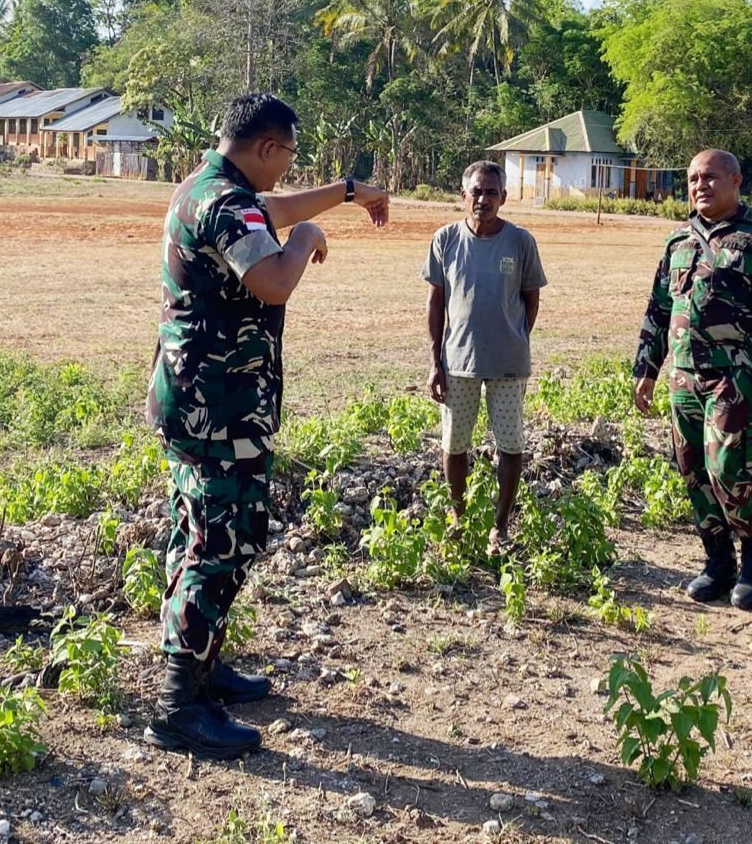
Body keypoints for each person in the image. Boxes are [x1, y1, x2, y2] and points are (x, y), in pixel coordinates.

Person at [144, 92, 389, 759]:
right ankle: (178, 706)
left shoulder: (207, 187)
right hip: (218, 408)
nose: (287, 169)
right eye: (288, 156)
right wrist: (306, 241)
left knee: (197, 534)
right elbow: (273, 281)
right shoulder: (226, 202)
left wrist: (346, 192)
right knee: (222, 544)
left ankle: (201, 666)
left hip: (195, 400)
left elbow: (271, 209)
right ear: (267, 147)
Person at [633, 149, 752, 611]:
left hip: (738, 375)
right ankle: (718, 561)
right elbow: (659, 308)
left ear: (736, 180)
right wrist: (647, 368)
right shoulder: (679, 239)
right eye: (693, 179)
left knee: (730, 468)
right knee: (692, 469)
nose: (699, 186)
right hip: (684, 375)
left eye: (709, 177)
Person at [424, 160, 547, 555]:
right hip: (457, 362)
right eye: (476, 191)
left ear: (504, 197)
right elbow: (436, 302)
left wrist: (513, 337)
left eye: (491, 192)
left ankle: (500, 527)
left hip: (508, 365)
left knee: (510, 445)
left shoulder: (521, 242)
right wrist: (435, 361)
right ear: (464, 195)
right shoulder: (445, 239)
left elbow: (530, 299)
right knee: (454, 444)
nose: (483, 199)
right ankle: (458, 519)